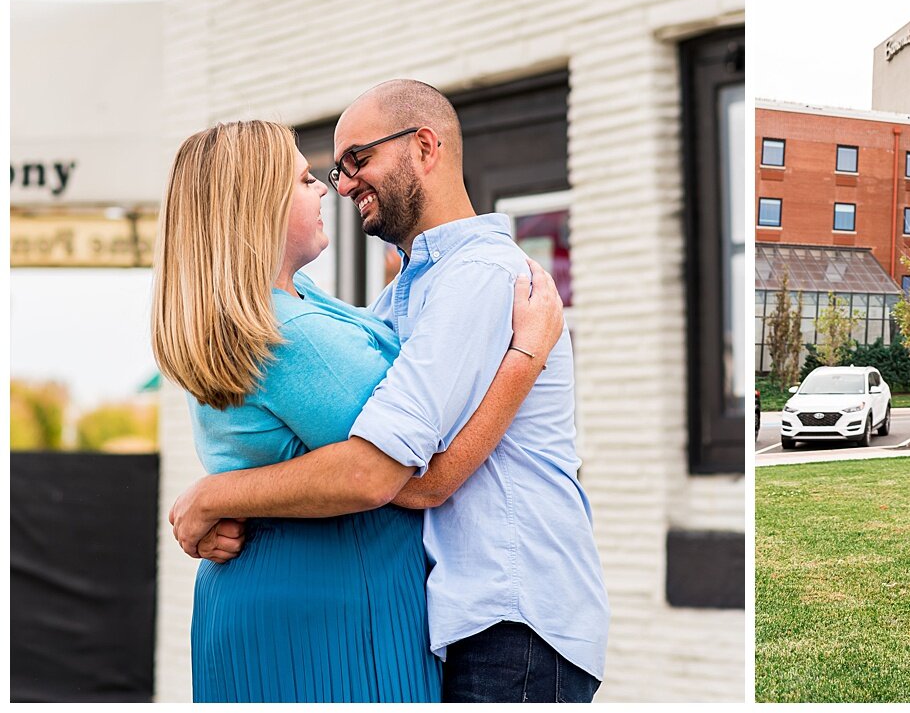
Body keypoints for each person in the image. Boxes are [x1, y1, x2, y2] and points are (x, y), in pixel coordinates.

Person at [169, 82, 610, 702]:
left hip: (509, 614)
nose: (340, 184)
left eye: (356, 161)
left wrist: (526, 356)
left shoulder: (479, 275)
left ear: (424, 147)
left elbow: (405, 476)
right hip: (463, 616)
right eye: (324, 173)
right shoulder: (395, 297)